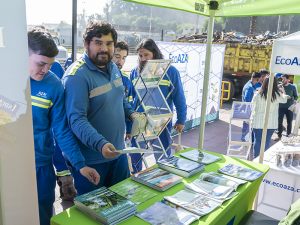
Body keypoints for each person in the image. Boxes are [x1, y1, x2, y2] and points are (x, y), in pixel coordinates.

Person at [28, 28, 100, 225]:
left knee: (42, 216)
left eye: (50, 65)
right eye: (41, 64)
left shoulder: (54, 86)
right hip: (8, 164)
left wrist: (80, 165)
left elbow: (62, 130)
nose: (45, 70)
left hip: (40, 166)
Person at [62, 21, 141, 195]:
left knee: (123, 205)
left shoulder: (113, 68)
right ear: (86, 44)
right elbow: (76, 119)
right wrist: (101, 144)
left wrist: (133, 114)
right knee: (94, 216)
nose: (104, 48)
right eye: (98, 43)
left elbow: (120, 98)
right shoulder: (77, 77)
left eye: (109, 43)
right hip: (92, 160)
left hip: (118, 153)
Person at [129, 38, 187, 173]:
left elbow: (179, 97)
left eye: (146, 55)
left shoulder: (170, 72)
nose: (143, 58)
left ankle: (165, 178)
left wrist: (181, 119)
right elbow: (130, 100)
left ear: (154, 53)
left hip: (161, 121)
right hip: (140, 121)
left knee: (163, 156)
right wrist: (128, 124)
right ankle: (136, 178)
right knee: (136, 154)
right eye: (140, 55)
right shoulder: (134, 72)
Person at [251, 76, 288, 158]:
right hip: (270, 123)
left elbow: (252, 106)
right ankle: (263, 159)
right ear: (275, 84)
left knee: (257, 141)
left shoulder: (258, 93)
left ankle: (256, 160)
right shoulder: (276, 95)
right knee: (266, 142)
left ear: (264, 83)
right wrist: (282, 90)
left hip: (258, 122)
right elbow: (285, 100)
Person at [112, 41, 134, 140]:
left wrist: (129, 129)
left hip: (119, 131)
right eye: (117, 56)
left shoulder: (126, 80)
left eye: (124, 58)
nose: (120, 61)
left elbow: (128, 103)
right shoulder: (99, 77)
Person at [274, 74, 298, 141]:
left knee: (289, 121)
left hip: (289, 107)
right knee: (279, 121)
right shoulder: (279, 86)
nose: (282, 80)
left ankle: (288, 135)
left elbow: (296, 96)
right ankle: (279, 136)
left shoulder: (292, 87)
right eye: (282, 79)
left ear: (288, 79)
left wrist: (295, 100)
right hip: (281, 106)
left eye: (284, 79)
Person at [241, 72, 261, 141]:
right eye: (259, 80)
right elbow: (247, 99)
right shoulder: (249, 87)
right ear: (257, 79)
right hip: (248, 109)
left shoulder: (250, 84)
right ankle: (244, 139)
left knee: (246, 125)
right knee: (247, 125)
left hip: (247, 109)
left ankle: (245, 139)